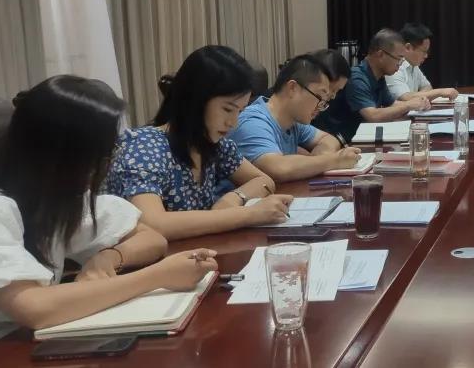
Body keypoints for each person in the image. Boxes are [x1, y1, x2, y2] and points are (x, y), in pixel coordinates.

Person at [0, 76, 217, 334]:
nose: (107, 166)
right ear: (61, 156)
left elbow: (151, 238)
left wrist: (109, 258)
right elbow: (35, 308)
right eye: (102, 155)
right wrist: (158, 276)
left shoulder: (55, 201)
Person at [105, 46, 292, 241]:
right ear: (195, 100)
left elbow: (263, 180)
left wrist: (233, 199)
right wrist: (249, 214)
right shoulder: (143, 147)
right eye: (228, 109)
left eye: (240, 111)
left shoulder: (214, 144)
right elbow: (153, 224)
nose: (233, 122)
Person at [229, 55, 362, 182]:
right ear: (292, 88)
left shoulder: (293, 121)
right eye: (319, 97)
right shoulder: (253, 121)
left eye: (324, 101)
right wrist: (334, 161)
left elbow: (328, 139)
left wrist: (317, 161)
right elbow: (277, 168)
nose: (321, 106)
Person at [313, 29, 431, 141]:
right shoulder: (357, 78)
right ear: (381, 55)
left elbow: (392, 104)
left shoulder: (379, 76)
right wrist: (408, 105)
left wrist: (417, 103)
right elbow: (372, 115)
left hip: (364, 136)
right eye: (399, 59)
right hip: (343, 140)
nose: (400, 64)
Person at [386, 23, 460, 102]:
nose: (426, 56)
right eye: (424, 51)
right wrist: (440, 92)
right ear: (408, 47)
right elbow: (405, 98)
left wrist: (416, 96)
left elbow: (428, 87)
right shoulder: (394, 66)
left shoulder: (413, 65)